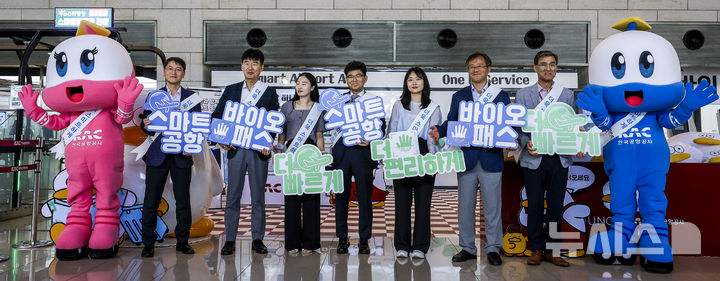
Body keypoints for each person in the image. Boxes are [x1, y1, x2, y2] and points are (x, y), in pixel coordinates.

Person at [429, 52, 508, 265]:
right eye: (472, 66)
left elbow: (509, 124)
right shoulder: (460, 95)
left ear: (489, 69)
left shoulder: (500, 95)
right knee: (465, 206)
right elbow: (451, 121)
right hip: (467, 157)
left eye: (480, 66)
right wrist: (440, 130)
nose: (476, 69)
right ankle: (467, 247)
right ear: (468, 70)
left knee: (492, 207)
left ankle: (492, 247)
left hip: (492, 159)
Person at [515, 50, 584, 267]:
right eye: (543, 64)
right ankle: (536, 249)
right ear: (535, 68)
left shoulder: (567, 95)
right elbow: (517, 126)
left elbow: (574, 126)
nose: (548, 68)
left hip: (559, 158)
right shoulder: (523, 94)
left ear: (556, 68)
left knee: (555, 206)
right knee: (534, 205)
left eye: (552, 64)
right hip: (534, 157)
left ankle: (553, 251)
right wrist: (525, 141)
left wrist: (580, 142)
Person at [212, 49, 279, 255]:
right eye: (247, 63)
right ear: (241, 66)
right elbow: (217, 115)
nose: (250, 67)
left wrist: (268, 142)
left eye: (255, 63)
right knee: (232, 196)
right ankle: (230, 239)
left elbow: (274, 120)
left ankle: (257, 239)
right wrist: (221, 139)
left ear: (262, 67)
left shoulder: (268, 92)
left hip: (258, 151)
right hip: (236, 149)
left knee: (258, 197)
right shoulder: (231, 90)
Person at [140, 57, 199, 257]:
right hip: (158, 155)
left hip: (182, 155)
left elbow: (196, 126)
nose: (174, 72)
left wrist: (191, 145)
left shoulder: (192, 98)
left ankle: (183, 241)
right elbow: (146, 126)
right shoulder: (154, 96)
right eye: (170, 68)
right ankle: (148, 244)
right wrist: (146, 124)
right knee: (151, 200)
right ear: (164, 72)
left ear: (183, 73)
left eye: (178, 69)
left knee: (183, 200)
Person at [387, 67, 441, 260]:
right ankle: (402, 245)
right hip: (400, 153)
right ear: (406, 84)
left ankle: (420, 246)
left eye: (418, 79)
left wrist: (434, 160)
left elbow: (432, 137)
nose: (414, 82)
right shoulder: (398, 105)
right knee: (401, 203)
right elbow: (391, 130)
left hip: (424, 154)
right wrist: (389, 156)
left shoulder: (433, 107)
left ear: (424, 82)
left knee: (423, 204)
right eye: (410, 79)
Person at [332, 61, 385, 255]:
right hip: (342, 155)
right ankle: (342, 238)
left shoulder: (373, 100)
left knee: (364, 198)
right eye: (350, 76)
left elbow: (382, 127)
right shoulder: (338, 100)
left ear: (365, 78)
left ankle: (364, 239)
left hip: (363, 154)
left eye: (358, 76)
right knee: (341, 199)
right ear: (346, 79)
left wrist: (371, 141)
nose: (354, 80)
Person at [276, 73, 325, 255]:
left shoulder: (318, 108)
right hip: (291, 153)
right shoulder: (286, 107)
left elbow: (319, 135)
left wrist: (322, 160)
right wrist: (279, 152)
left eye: (304, 83)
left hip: (311, 153)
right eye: (297, 83)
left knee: (312, 199)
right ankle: (292, 243)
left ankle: (310, 243)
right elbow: (282, 134)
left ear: (312, 87)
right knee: (292, 198)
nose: (300, 86)